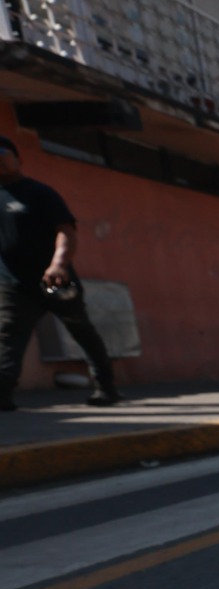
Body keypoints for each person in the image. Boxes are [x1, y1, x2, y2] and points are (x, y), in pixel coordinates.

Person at [0, 135, 119, 411]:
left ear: (19, 159)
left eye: (3, 151)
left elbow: (66, 231)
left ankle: (106, 387)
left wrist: (58, 264)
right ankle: (2, 395)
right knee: (8, 337)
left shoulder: (40, 192)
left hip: (56, 280)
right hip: (13, 283)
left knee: (81, 330)